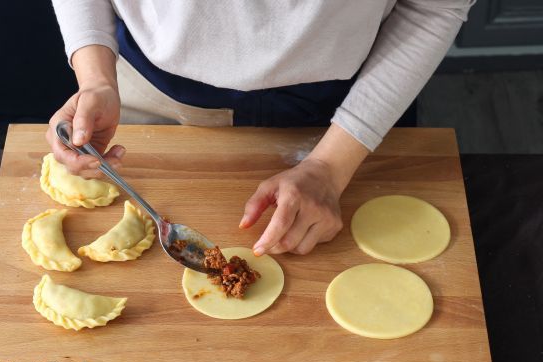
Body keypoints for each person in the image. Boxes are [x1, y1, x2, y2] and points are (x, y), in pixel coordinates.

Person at [47, 0, 472, 256]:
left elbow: (431, 5)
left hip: (356, 97)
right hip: (145, 84)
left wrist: (331, 165)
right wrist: (96, 78)